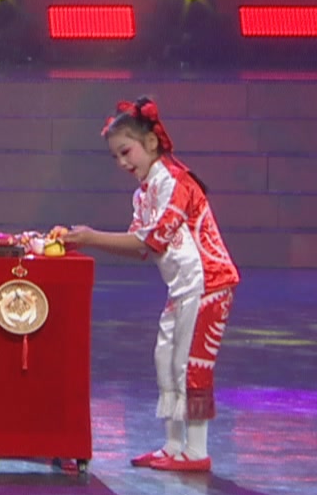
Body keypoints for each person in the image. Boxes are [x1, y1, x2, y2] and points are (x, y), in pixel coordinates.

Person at [66, 97, 238, 473]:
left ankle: (196, 451)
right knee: (166, 360)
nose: (122, 162)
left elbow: (152, 241)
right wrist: (86, 240)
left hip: (208, 283)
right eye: (116, 156)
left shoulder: (176, 183)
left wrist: (91, 237)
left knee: (190, 365)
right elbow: (141, 246)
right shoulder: (145, 192)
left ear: (151, 142)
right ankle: (173, 445)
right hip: (183, 287)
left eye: (126, 151)